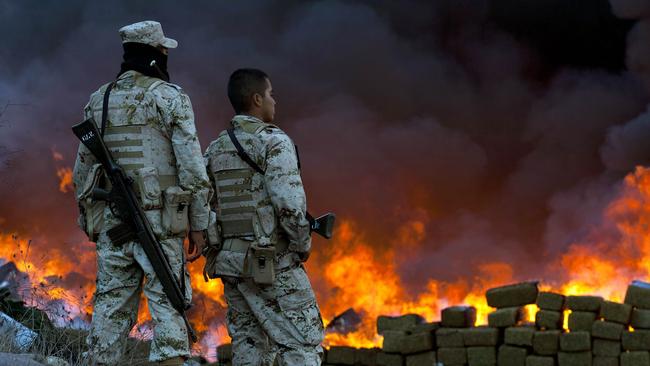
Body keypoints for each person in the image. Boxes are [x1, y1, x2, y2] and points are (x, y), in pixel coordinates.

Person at [72, 20, 211, 365]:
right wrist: (199, 223)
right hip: (161, 224)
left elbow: (82, 173)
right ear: (155, 53)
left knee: (109, 315)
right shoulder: (170, 97)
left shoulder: (99, 99)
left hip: (114, 226)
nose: (166, 55)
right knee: (169, 313)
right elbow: (193, 169)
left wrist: (92, 221)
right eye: (163, 49)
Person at [203, 68, 325, 365]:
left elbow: (203, 203)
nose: (275, 101)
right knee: (303, 344)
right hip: (272, 263)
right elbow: (290, 206)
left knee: (249, 347)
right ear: (257, 99)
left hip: (232, 265)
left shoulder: (216, 148)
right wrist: (301, 246)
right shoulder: (274, 142)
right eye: (271, 94)